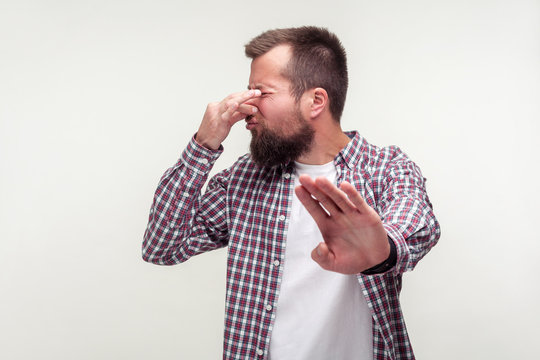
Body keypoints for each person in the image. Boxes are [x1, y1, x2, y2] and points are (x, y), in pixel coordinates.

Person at [142, 26, 440, 360]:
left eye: (262, 92)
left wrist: (380, 252)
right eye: (248, 91)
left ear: (315, 101)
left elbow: (416, 224)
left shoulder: (385, 168)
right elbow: (162, 247)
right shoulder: (243, 179)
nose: (247, 107)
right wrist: (203, 144)